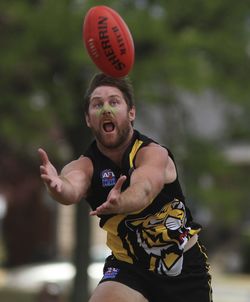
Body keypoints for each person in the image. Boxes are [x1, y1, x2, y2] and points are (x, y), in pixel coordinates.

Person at [38, 73, 213, 302]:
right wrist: (58, 187)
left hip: (183, 267)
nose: (106, 109)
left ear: (131, 113)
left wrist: (122, 201)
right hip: (129, 267)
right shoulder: (86, 165)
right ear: (88, 119)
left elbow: (145, 189)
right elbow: (72, 185)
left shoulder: (153, 153)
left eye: (114, 102)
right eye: (97, 104)